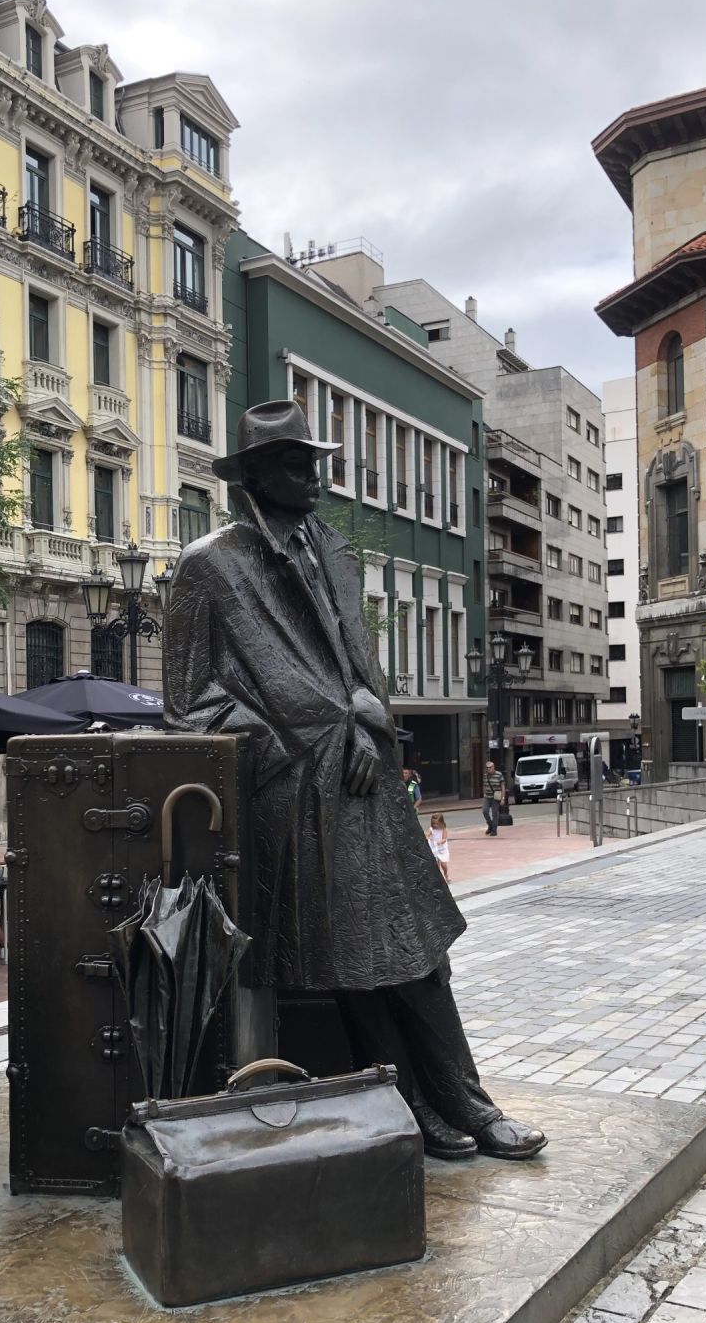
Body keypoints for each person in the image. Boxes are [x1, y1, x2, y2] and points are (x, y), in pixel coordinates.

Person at [164, 399, 544, 1161]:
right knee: (363, 961)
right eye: (299, 463)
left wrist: (370, 716)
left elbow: (356, 667)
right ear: (258, 473)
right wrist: (303, 740)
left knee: (410, 952)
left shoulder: (332, 550)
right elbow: (188, 701)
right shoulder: (209, 565)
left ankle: (449, 1102)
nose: (316, 476)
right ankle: (425, 1103)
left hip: (364, 784)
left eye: (317, 460)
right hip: (296, 792)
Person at [481, 760, 506, 837]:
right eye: (487, 768)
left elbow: (503, 787)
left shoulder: (499, 775)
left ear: (493, 767)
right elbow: (484, 785)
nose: (488, 769)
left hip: (495, 797)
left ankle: (494, 830)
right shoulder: (485, 775)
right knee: (485, 811)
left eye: (490, 767)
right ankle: (490, 825)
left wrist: (503, 798)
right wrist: (484, 793)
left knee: (495, 814)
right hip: (487, 797)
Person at [427, 813, 450, 881]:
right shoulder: (431, 829)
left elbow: (444, 839)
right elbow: (428, 835)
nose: (435, 825)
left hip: (442, 848)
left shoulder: (443, 829)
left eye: (437, 823)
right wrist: (428, 837)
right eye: (434, 823)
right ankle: (438, 878)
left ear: (441, 822)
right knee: (436, 865)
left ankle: (446, 874)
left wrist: (439, 842)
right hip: (434, 848)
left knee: (443, 864)